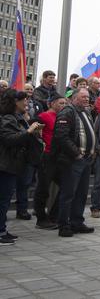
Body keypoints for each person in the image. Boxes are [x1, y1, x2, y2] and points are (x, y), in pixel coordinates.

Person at [0, 89, 43, 244]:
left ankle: (2, 228)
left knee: (5, 199)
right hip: (5, 165)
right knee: (3, 199)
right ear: (14, 102)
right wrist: (29, 132)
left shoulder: (17, 117)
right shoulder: (7, 118)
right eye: (24, 100)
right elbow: (9, 139)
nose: (27, 103)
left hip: (12, 164)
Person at [53, 88, 97, 237]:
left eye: (88, 97)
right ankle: (64, 225)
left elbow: (90, 132)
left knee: (81, 193)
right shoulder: (67, 112)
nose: (86, 99)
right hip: (72, 160)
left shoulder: (86, 112)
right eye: (83, 97)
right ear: (74, 97)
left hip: (86, 160)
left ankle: (77, 222)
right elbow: (62, 137)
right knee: (68, 194)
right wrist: (77, 153)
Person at [34, 95, 67, 229]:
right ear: (52, 103)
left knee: (66, 185)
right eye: (60, 103)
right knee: (43, 188)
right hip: (47, 156)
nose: (63, 106)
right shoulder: (43, 116)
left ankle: (53, 216)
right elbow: (35, 133)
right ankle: (41, 219)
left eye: (65, 103)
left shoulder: (63, 117)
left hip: (59, 157)